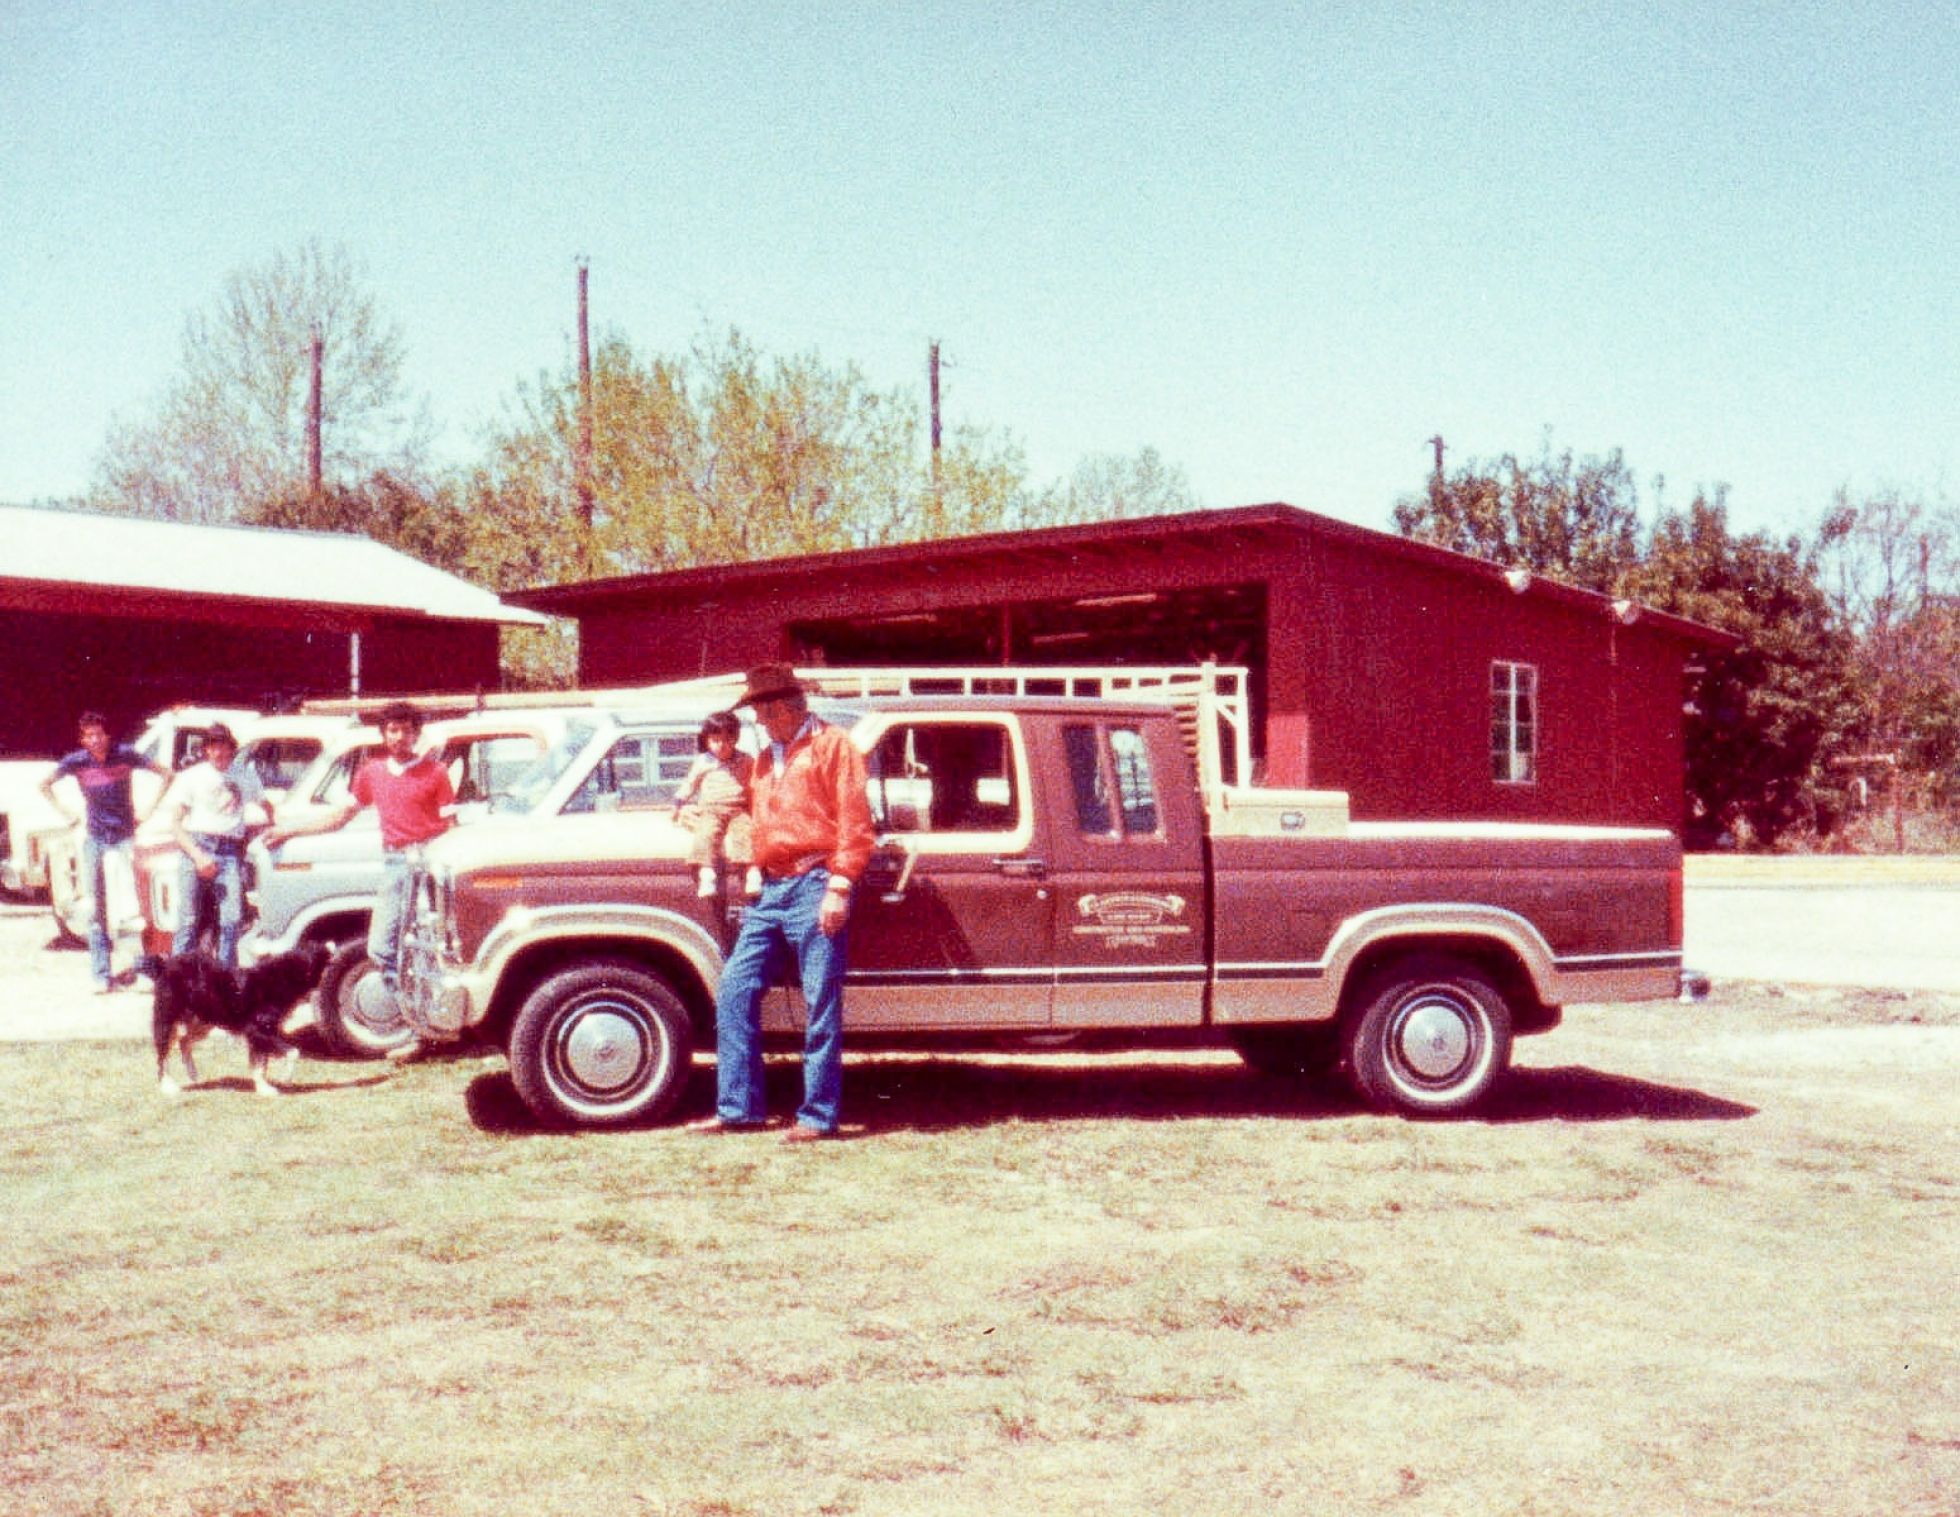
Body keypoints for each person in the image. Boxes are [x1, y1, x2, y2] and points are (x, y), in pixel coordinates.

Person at [691, 664, 874, 1142]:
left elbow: (856, 821)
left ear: (787, 707)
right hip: (771, 890)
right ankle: (738, 1109)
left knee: (820, 1001)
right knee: (734, 988)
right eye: (757, 713)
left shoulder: (834, 746)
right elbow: (756, 818)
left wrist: (839, 885)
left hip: (816, 882)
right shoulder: (766, 759)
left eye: (763, 712)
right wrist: (751, 860)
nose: (759, 722)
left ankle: (817, 1116)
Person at [260, 701, 454, 1058]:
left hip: (429, 863)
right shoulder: (372, 771)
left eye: (407, 730)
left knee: (429, 949)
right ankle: (416, 1026)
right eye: (393, 730)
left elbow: (451, 828)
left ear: (416, 734)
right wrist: (289, 830)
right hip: (396, 863)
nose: (400, 737)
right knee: (383, 947)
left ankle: (427, 1033)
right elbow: (340, 817)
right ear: (384, 734)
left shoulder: (435, 772)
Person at [40, 712, 171, 993]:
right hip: (95, 840)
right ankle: (101, 975)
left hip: (124, 838)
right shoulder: (76, 762)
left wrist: (148, 810)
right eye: (89, 735)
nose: (95, 739)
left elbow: (166, 774)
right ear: (82, 739)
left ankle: (143, 971)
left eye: (99, 733)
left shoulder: (125, 755)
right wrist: (66, 813)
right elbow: (44, 784)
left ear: (107, 735)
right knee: (94, 907)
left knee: (135, 906)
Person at [159, 723, 265, 968]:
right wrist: (198, 857)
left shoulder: (245, 775)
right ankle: (176, 978)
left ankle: (224, 977)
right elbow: (175, 824)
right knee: (188, 920)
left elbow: (266, 808)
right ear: (206, 750)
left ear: (232, 748)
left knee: (232, 920)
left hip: (229, 851)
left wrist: (272, 829)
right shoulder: (192, 776)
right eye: (213, 747)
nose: (219, 753)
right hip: (196, 846)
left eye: (224, 747)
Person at [670, 710, 756, 897]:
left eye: (728, 740)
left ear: (736, 739)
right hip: (711, 809)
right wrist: (678, 803)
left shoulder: (746, 760)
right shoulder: (703, 762)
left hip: (738, 809)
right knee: (706, 834)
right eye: (716, 740)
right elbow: (690, 784)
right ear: (707, 740)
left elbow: (755, 784)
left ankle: (751, 872)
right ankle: (707, 873)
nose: (722, 745)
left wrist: (756, 806)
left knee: (746, 833)